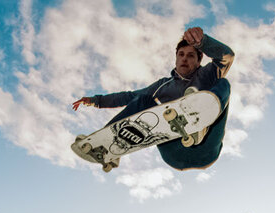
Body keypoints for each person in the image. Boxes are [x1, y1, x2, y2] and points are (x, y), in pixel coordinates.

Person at [72, 27, 234, 171]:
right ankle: (107, 147)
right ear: (176, 59)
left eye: (191, 55)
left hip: (206, 148)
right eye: (181, 55)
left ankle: (200, 126)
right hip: (174, 153)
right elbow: (129, 96)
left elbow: (226, 56)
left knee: (223, 84)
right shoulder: (163, 85)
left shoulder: (208, 74)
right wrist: (96, 101)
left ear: (199, 62)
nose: (185, 58)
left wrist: (203, 42)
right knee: (143, 100)